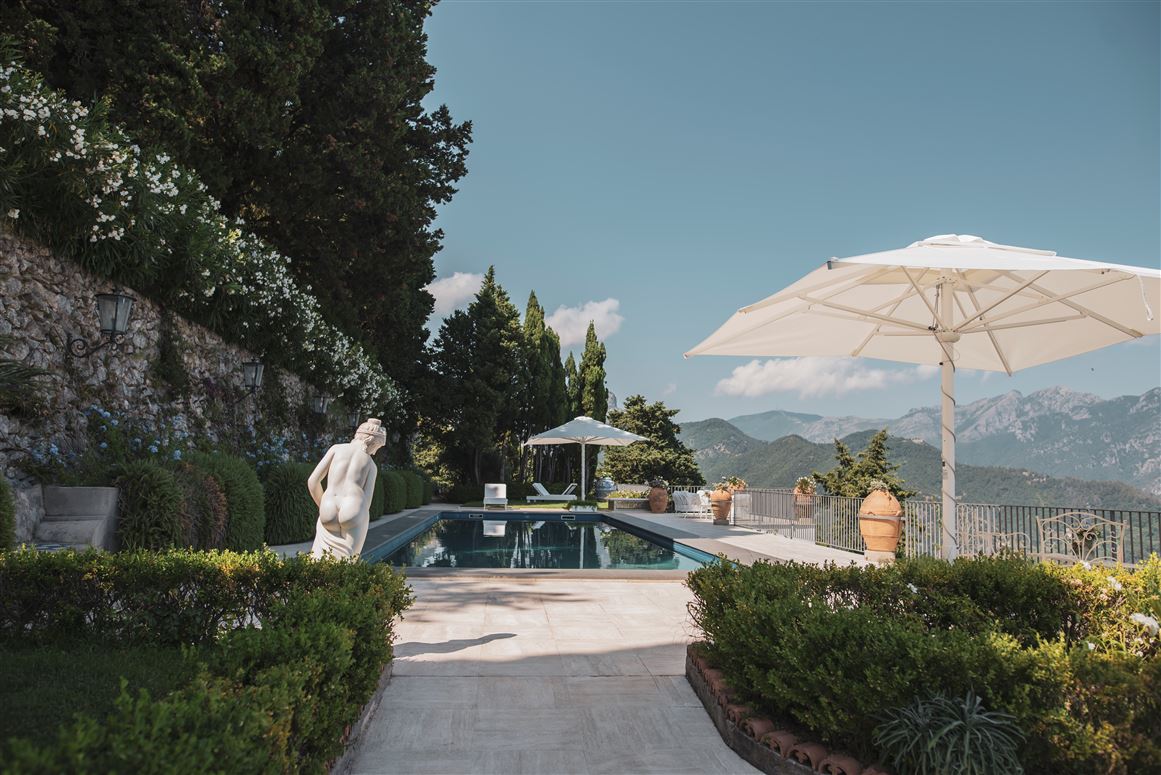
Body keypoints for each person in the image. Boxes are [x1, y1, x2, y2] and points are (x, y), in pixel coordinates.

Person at [308, 417, 385, 559]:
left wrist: (322, 505)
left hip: (329, 504)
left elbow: (312, 481)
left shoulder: (336, 449)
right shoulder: (371, 465)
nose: (374, 453)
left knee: (318, 559)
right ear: (369, 441)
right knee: (348, 560)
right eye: (376, 447)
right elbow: (366, 502)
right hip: (353, 506)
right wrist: (358, 514)